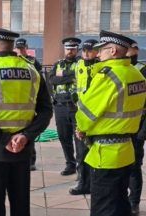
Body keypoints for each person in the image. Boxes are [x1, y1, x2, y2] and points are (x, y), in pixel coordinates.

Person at [0, 25, 52, 216]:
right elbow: (46, 110)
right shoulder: (32, 70)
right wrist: (25, 136)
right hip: (23, 149)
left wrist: (4, 139)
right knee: (21, 205)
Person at [76, 30, 146, 216]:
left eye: (102, 50)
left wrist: (81, 129)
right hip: (126, 150)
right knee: (120, 203)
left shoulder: (108, 76)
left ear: (113, 51)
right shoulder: (136, 74)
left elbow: (85, 113)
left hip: (105, 154)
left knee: (103, 207)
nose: (98, 54)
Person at [49, 37, 81, 176]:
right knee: (64, 137)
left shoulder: (81, 64)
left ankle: (82, 168)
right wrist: (71, 76)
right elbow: (51, 80)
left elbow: (79, 77)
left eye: (73, 49)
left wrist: (62, 76)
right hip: (60, 106)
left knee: (79, 138)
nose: (70, 51)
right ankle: (70, 164)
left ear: (77, 49)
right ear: (64, 49)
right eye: (68, 49)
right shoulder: (58, 64)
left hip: (76, 106)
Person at [69, 39, 98, 195]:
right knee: (81, 152)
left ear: (96, 51)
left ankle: (94, 183)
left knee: (94, 151)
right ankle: (83, 183)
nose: (86, 53)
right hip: (80, 114)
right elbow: (75, 83)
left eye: (90, 50)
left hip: (96, 116)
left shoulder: (101, 67)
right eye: (84, 50)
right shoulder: (78, 65)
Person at [14, 38, 42, 171]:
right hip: (15, 101)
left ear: (26, 48)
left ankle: (31, 160)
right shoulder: (12, 60)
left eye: (22, 48)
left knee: (28, 132)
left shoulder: (33, 61)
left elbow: (39, 81)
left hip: (30, 101)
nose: (20, 51)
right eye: (18, 49)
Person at [126, 39, 146, 215]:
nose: (127, 51)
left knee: (134, 168)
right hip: (121, 129)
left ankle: (134, 202)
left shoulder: (142, 70)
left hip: (137, 128)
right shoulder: (118, 70)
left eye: (130, 48)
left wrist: (143, 132)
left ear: (136, 50)